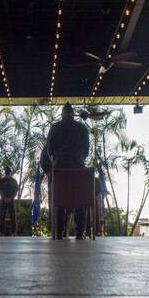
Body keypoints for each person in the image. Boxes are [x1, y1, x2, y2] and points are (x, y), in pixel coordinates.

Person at [47, 102, 89, 239]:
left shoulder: (55, 127)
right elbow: (87, 151)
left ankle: (59, 232)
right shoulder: (82, 128)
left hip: (60, 169)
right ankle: (80, 232)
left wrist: (56, 161)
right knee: (79, 199)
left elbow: (49, 150)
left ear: (62, 114)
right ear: (72, 114)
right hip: (78, 168)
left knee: (60, 199)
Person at [0, 166, 19, 236]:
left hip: (11, 201)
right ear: (5, 173)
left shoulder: (14, 181)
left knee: (13, 217)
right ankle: (1, 232)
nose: (7, 175)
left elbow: (16, 190)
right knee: (1, 217)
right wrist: (4, 198)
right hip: (3, 201)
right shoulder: (2, 181)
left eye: (8, 174)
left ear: (10, 173)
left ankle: (13, 232)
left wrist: (10, 198)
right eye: (6, 174)